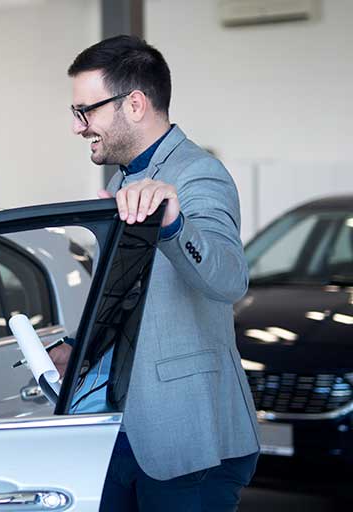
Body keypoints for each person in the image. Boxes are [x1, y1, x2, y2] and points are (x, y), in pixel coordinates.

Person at [57, 35, 260, 511]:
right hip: (122, 432)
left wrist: (173, 222)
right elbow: (133, 296)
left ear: (134, 103)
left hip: (190, 437)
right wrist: (82, 344)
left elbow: (229, 278)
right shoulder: (121, 180)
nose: (77, 127)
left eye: (85, 111)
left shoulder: (198, 174)